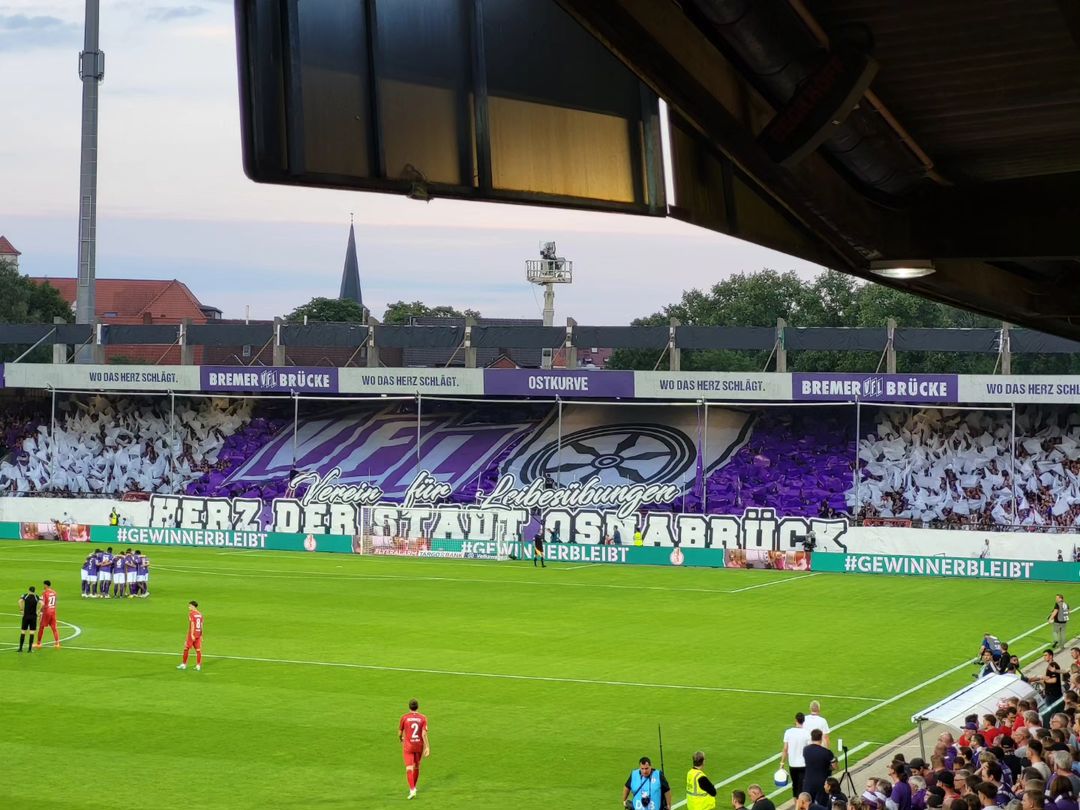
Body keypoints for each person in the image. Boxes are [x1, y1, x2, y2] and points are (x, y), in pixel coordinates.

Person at [398, 698, 429, 800]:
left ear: (409, 707)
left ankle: (412, 789)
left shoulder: (404, 717)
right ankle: (414, 787)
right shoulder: (423, 718)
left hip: (409, 746)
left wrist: (401, 738)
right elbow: (424, 733)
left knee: (409, 768)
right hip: (419, 745)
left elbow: (400, 732)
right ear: (418, 707)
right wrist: (427, 747)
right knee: (416, 766)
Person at [803, 728, 837, 806]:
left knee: (807, 805)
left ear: (811, 738)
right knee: (822, 806)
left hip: (808, 782)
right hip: (822, 783)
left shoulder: (806, 750)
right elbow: (834, 767)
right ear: (821, 738)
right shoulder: (826, 752)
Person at [783, 712, 812, 798]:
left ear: (795, 720)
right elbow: (809, 749)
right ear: (804, 721)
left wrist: (782, 763)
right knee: (802, 787)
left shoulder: (788, 732)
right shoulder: (807, 733)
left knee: (795, 786)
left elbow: (785, 749)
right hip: (803, 764)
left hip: (792, 764)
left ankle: (797, 805)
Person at [177, 600, 203, 671]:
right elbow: (201, 625)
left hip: (192, 634)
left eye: (190, 606)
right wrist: (201, 635)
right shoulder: (200, 614)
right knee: (198, 650)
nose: (189, 607)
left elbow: (192, 624)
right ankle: (198, 665)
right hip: (198, 634)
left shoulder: (191, 614)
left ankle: (184, 664)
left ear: (193, 606)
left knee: (186, 648)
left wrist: (191, 634)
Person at [34, 580, 59, 649]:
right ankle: (57, 643)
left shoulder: (45, 593)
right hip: (53, 611)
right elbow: (55, 602)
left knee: (41, 627)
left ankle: (38, 643)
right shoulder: (54, 592)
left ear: (46, 585)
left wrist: (39, 611)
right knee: (54, 628)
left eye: (44, 585)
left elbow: (43, 603)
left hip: (46, 612)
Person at [18, 585, 39, 653]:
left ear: (29, 590)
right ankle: (29, 649)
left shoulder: (25, 595)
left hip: (26, 616)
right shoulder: (37, 597)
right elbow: (42, 603)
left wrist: (21, 610)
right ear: (34, 591)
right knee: (32, 632)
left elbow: (19, 601)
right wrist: (38, 610)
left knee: (23, 631)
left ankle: (20, 648)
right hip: (33, 617)